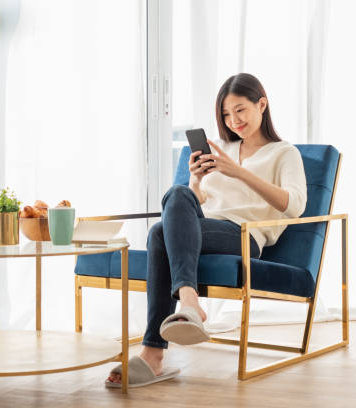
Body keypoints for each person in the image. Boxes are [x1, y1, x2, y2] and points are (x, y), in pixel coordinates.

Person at [106, 73, 307, 388]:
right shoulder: (222, 149)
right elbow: (195, 202)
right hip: (200, 228)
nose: (233, 120)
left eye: (240, 110)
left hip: (243, 235)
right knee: (175, 200)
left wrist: (238, 172)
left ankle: (154, 352)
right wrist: (197, 179)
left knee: (160, 232)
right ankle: (186, 303)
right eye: (226, 114)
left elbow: (294, 205)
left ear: (262, 104)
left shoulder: (284, 153)